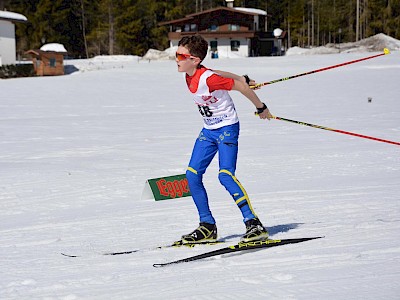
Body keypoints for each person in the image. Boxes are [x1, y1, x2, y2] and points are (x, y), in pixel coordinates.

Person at [175, 35, 272, 244]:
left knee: (225, 175)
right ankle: (207, 226)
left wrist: (261, 107)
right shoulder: (193, 73)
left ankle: (253, 223)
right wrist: (241, 76)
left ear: (194, 59)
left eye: (181, 55)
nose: (176, 59)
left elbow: (242, 88)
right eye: (176, 54)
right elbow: (218, 72)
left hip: (227, 128)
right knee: (192, 175)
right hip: (209, 131)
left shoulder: (208, 79)